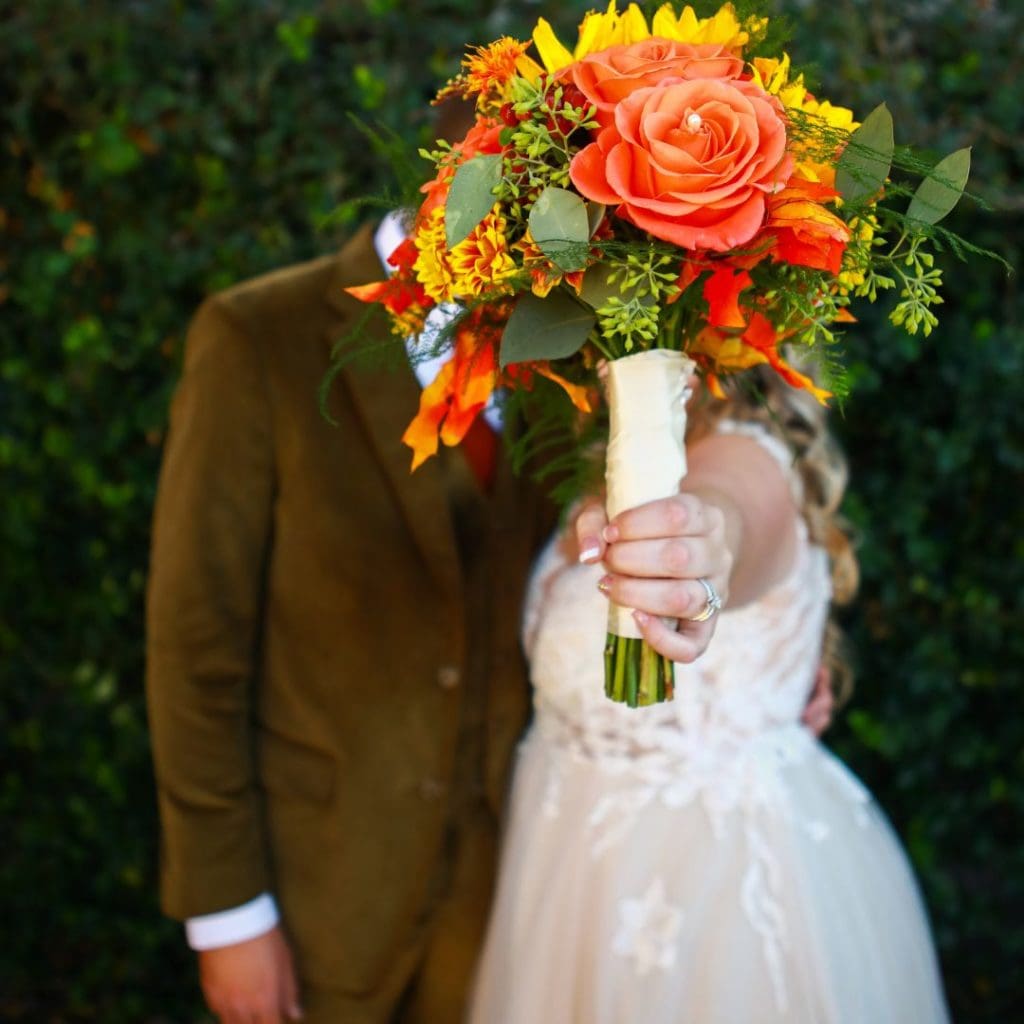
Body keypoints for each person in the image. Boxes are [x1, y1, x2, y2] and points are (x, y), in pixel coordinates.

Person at [149, 205, 842, 1021]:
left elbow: (727, 520)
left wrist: (730, 605)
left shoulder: (625, 390)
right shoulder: (265, 334)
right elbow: (197, 649)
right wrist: (227, 912)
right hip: (355, 887)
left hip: (581, 902)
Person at [468, 367, 952, 1023]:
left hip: (710, 897)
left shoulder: (749, 461)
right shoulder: (602, 452)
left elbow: (723, 518)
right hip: (564, 871)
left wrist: (700, 553)